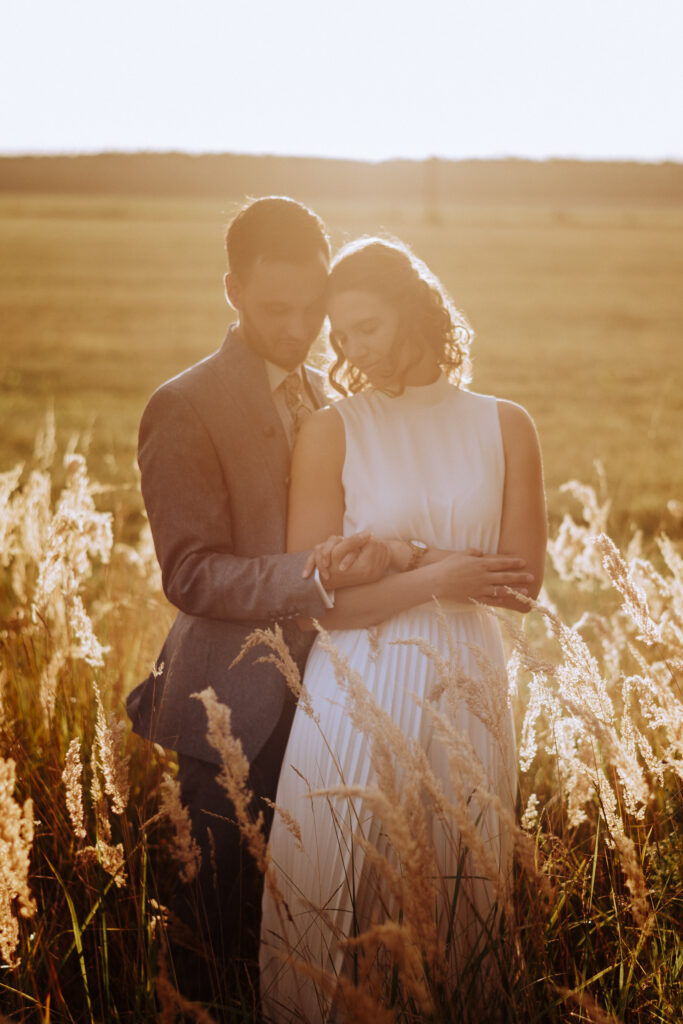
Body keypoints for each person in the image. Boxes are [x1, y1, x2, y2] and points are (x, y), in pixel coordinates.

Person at [259, 237, 547, 1022]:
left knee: (456, 902)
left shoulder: (506, 424)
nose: (353, 351)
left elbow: (519, 585)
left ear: (416, 312)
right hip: (355, 680)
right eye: (340, 337)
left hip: (465, 684)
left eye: (367, 328)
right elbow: (322, 602)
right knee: (341, 903)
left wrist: (403, 557)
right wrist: (440, 574)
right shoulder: (333, 430)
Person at [125, 197, 380, 1008]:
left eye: (313, 308)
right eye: (277, 309)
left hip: (334, 706)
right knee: (209, 937)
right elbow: (192, 573)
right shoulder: (185, 403)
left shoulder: (328, 395)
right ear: (231, 290)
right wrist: (314, 574)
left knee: (305, 933)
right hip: (231, 706)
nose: (300, 327)